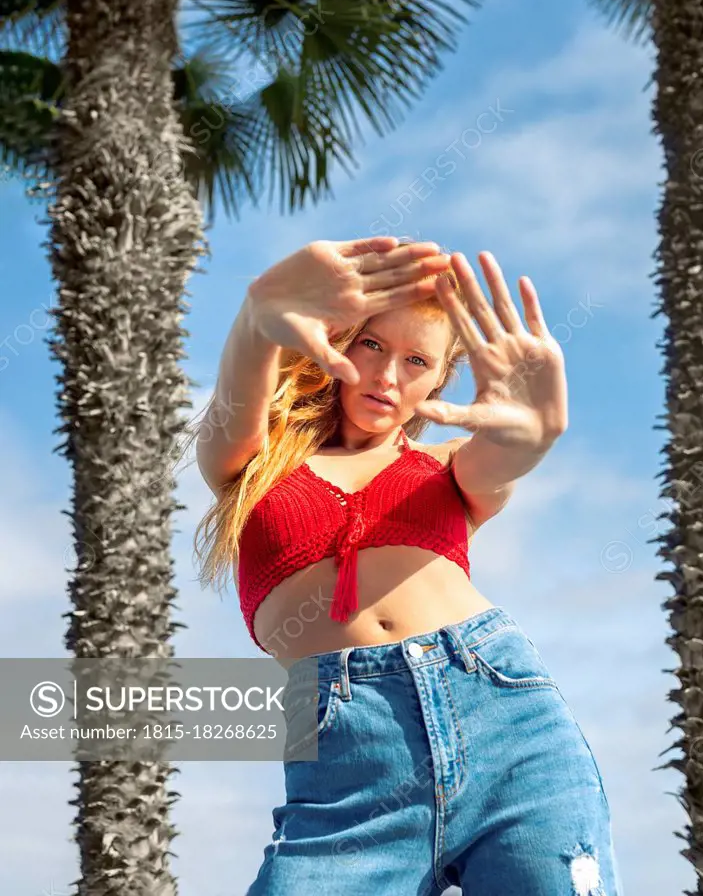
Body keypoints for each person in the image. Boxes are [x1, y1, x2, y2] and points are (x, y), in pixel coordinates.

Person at [191, 235, 624, 895]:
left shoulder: (447, 467)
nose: (388, 376)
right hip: (349, 753)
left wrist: (529, 436)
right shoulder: (256, 462)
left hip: (505, 718)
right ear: (339, 343)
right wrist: (258, 315)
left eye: (416, 360)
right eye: (372, 346)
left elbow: (500, 460)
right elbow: (230, 419)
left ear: (440, 379)